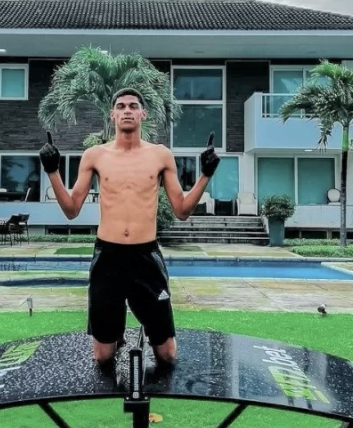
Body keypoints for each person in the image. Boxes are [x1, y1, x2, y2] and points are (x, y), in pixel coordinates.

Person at [39, 88, 220, 366]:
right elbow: (72, 209)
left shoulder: (160, 155)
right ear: (112, 114)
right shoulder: (95, 156)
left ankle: (146, 327)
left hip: (145, 257)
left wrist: (205, 175)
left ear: (142, 114)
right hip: (108, 257)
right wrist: (52, 171)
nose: (127, 110)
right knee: (103, 357)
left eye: (133, 106)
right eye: (121, 106)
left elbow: (182, 210)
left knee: (167, 355)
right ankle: (117, 334)